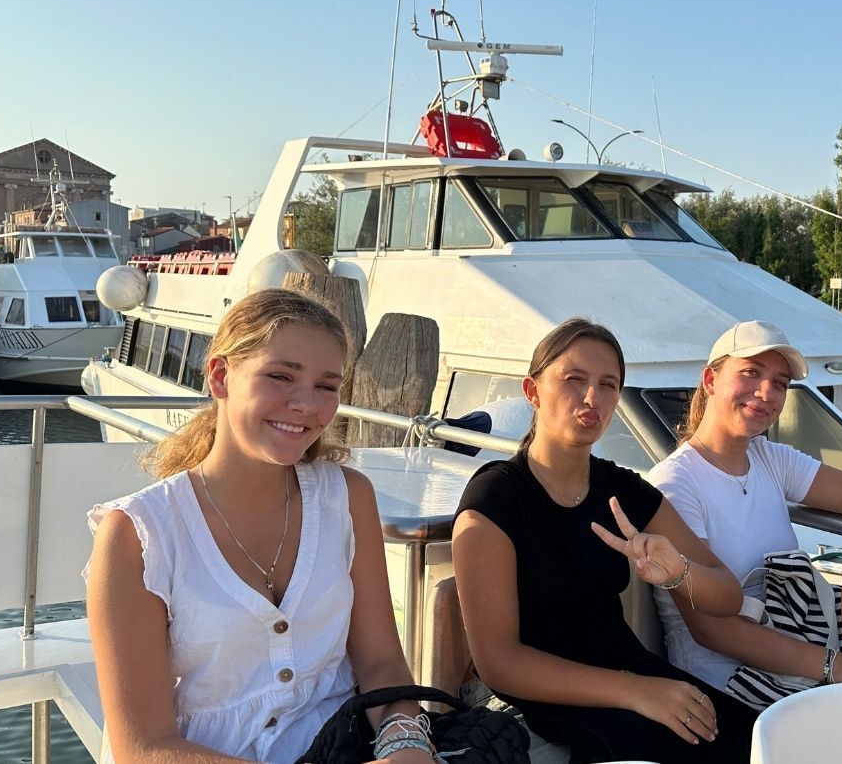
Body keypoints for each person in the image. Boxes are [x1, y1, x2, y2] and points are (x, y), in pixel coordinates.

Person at [85, 288, 438, 763]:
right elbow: (144, 748)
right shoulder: (138, 534)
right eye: (280, 376)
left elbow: (381, 663)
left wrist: (405, 742)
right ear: (220, 376)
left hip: (341, 746)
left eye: (326, 386)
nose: (306, 404)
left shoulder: (347, 497)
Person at [451, 317, 758, 763]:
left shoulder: (623, 490)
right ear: (533, 391)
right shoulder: (495, 499)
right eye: (574, 379)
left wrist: (678, 573)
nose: (592, 397)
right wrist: (636, 691)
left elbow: (728, 594)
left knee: (759, 741)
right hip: (549, 700)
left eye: (608, 385)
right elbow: (498, 662)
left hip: (633, 675)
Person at [648, 320, 842, 706]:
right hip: (733, 675)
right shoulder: (675, 483)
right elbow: (712, 629)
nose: (766, 393)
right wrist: (838, 667)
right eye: (751, 373)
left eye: (779, 383)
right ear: (710, 380)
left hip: (799, 630)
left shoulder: (767, 458)